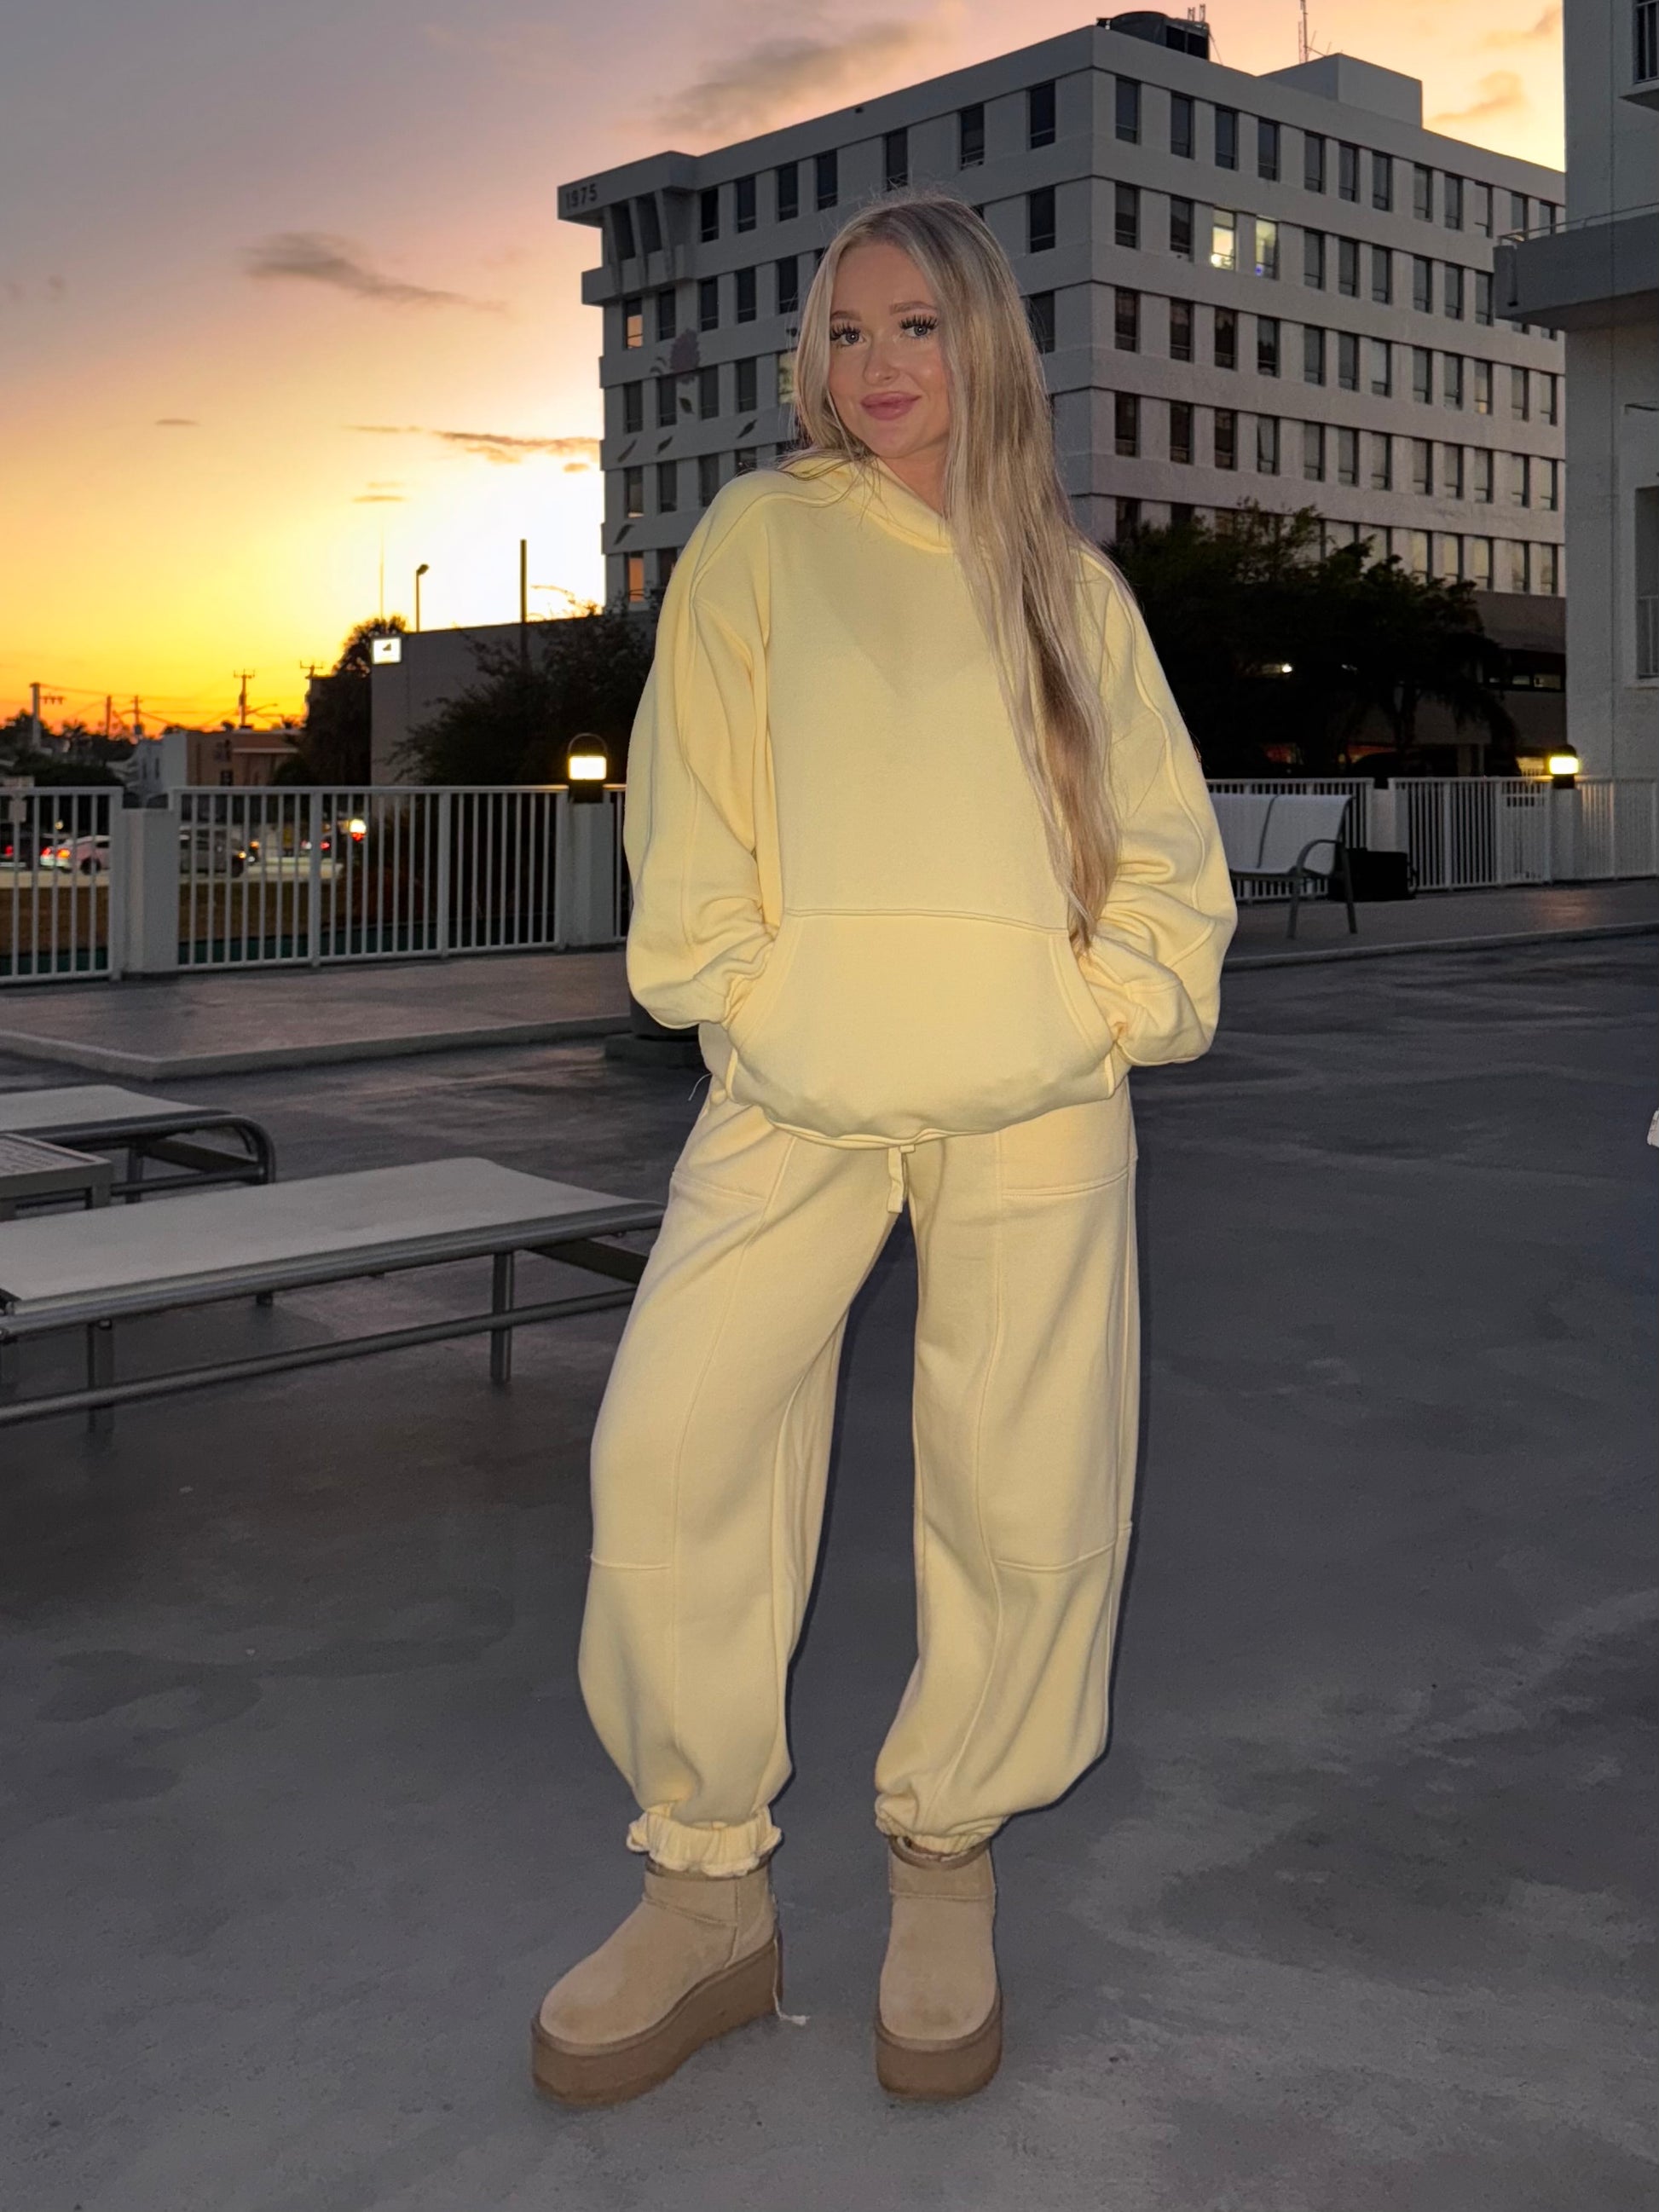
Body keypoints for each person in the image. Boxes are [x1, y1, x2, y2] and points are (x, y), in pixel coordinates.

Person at [533, 193, 1235, 2108]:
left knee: (1022, 1479)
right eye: (845, 333)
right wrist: (747, 1005)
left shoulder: (1070, 588)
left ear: (983, 338)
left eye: (912, 325)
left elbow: (1165, 854)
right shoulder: (760, 540)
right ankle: (702, 1886)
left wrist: (1095, 1014)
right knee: (671, 1445)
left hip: (1037, 1092)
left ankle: (947, 1856)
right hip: (791, 1083)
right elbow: (690, 809)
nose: (876, 366)